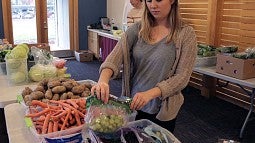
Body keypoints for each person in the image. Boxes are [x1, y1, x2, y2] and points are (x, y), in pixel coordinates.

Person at [91, 0, 197, 133]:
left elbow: (182, 77)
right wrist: (103, 81)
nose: (153, 5)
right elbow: (115, 57)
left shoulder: (186, 33)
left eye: (158, 0)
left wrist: (149, 94)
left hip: (161, 109)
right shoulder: (137, 29)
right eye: (149, 0)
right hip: (134, 104)